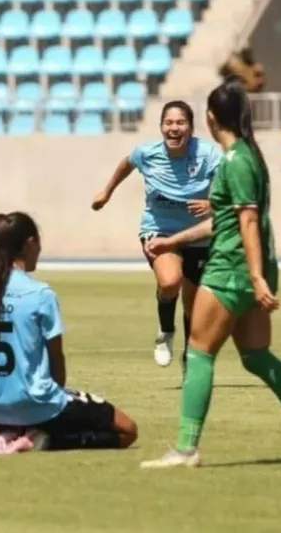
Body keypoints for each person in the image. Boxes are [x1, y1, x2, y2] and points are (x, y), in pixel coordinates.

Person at [138, 80, 281, 469]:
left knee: (199, 352)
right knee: (255, 356)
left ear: (211, 118)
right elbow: (227, 219)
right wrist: (173, 241)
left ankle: (185, 449)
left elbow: (247, 222)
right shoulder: (249, 156)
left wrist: (254, 277)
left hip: (232, 270)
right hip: (252, 267)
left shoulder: (234, 160)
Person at [0, 212, 138, 455]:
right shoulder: (40, 294)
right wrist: (51, 405)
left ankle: (12, 435)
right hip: (37, 405)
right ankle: (40, 439)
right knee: (127, 430)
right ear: (29, 244)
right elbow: (57, 361)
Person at [92, 101, 221, 372]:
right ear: (161, 126)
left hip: (199, 234)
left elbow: (229, 187)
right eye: (168, 123)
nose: (174, 128)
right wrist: (107, 192)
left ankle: (191, 356)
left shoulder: (208, 153)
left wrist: (212, 204)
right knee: (170, 281)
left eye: (180, 123)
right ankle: (165, 330)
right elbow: (126, 164)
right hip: (159, 228)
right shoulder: (147, 152)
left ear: (191, 127)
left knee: (194, 304)